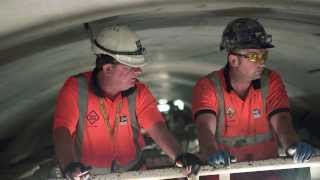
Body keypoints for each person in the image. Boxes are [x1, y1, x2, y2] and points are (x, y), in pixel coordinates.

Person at [53, 25, 201, 179]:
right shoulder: (76, 89)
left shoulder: (139, 92)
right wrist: (69, 165)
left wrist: (179, 156)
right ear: (108, 68)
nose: (139, 71)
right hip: (89, 177)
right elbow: (62, 130)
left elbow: (157, 128)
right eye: (130, 67)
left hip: (133, 174)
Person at [192, 18, 315, 180]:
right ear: (234, 60)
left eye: (264, 55)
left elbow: (282, 121)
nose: (262, 63)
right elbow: (204, 128)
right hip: (225, 174)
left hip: (266, 174)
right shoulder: (209, 86)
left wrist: (292, 145)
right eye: (255, 57)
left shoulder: (271, 81)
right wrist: (210, 152)